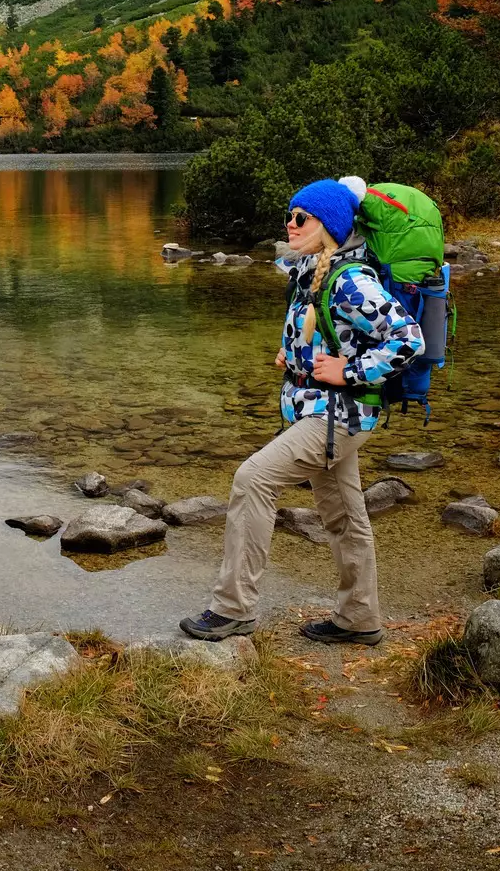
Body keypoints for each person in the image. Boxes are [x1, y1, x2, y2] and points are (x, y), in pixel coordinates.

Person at [179, 178, 424, 646]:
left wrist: (349, 370)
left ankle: (233, 609)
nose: (290, 225)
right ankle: (360, 618)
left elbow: (410, 339)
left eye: (301, 218)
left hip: (337, 417)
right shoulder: (313, 271)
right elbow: (324, 334)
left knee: (253, 480)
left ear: (329, 225)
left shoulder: (351, 280)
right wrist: (291, 356)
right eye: (288, 216)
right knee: (344, 516)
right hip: (322, 413)